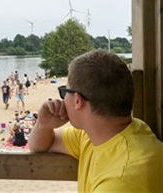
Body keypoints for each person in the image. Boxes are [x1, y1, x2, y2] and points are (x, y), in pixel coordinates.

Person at [28, 50, 163, 192]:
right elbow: (40, 145)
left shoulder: (121, 181)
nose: (63, 99)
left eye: (65, 92)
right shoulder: (100, 134)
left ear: (78, 101)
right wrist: (43, 125)